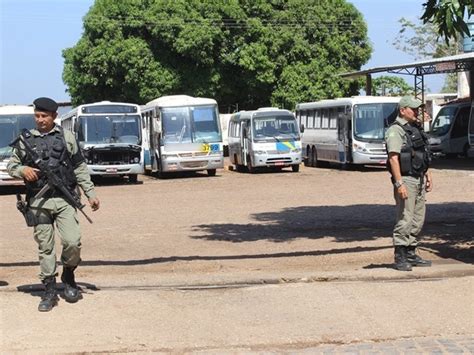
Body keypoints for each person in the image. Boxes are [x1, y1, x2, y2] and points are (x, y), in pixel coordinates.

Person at [7, 97, 100, 312]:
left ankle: (68, 274)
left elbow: (79, 168)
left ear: (54, 117)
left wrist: (90, 194)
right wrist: (23, 170)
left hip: (65, 199)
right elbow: (12, 165)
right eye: (37, 116)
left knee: (72, 241)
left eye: (44, 116)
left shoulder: (67, 137)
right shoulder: (25, 140)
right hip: (39, 202)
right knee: (45, 247)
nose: (40, 120)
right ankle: (49, 289)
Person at [385, 96, 433, 271]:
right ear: (402, 110)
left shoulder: (413, 129)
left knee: (418, 218)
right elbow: (394, 159)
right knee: (405, 218)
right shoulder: (395, 131)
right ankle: (401, 256)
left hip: (418, 177)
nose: (417, 112)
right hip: (406, 179)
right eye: (413, 109)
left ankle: (411, 253)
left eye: (418, 109)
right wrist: (399, 184)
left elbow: (420, 154)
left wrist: (427, 174)